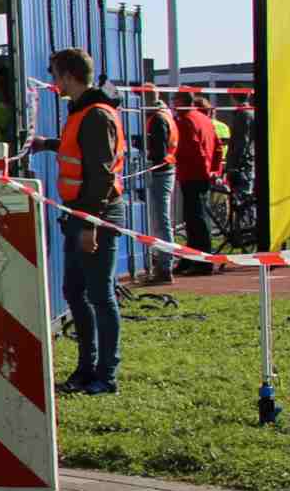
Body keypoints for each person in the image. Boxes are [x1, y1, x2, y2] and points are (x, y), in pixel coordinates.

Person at [30, 46, 125, 394]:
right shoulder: (83, 112)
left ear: (68, 76)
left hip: (94, 216)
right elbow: (78, 150)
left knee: (100, 296)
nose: (53, 82)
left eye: (55, 75)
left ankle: (106, 375)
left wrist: (90, 225)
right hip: (78, 214)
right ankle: (87, 368)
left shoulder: (96, 115)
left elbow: (100, 176)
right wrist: (47, 144)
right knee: (74, 291)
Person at [171, 88, 222, 273]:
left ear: (181, 101)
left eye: (175, 100)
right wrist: (214, 170)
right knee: (196, 218)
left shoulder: (186, 121)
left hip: (193, 175)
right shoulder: (204, 118)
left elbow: (193, 149)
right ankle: (191, 259)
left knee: (195, 220)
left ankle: (202, 262)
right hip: (201, 174)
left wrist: (203, 170)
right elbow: (217, 147)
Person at [135, 82, 177, 284]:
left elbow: (158, 152)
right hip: (165, 170)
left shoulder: (158, 118)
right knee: (160, 220)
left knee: (161, 220)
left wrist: (142, 152)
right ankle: (162, 263)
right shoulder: (163, 114)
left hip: (160, 172)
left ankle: (165, 266)